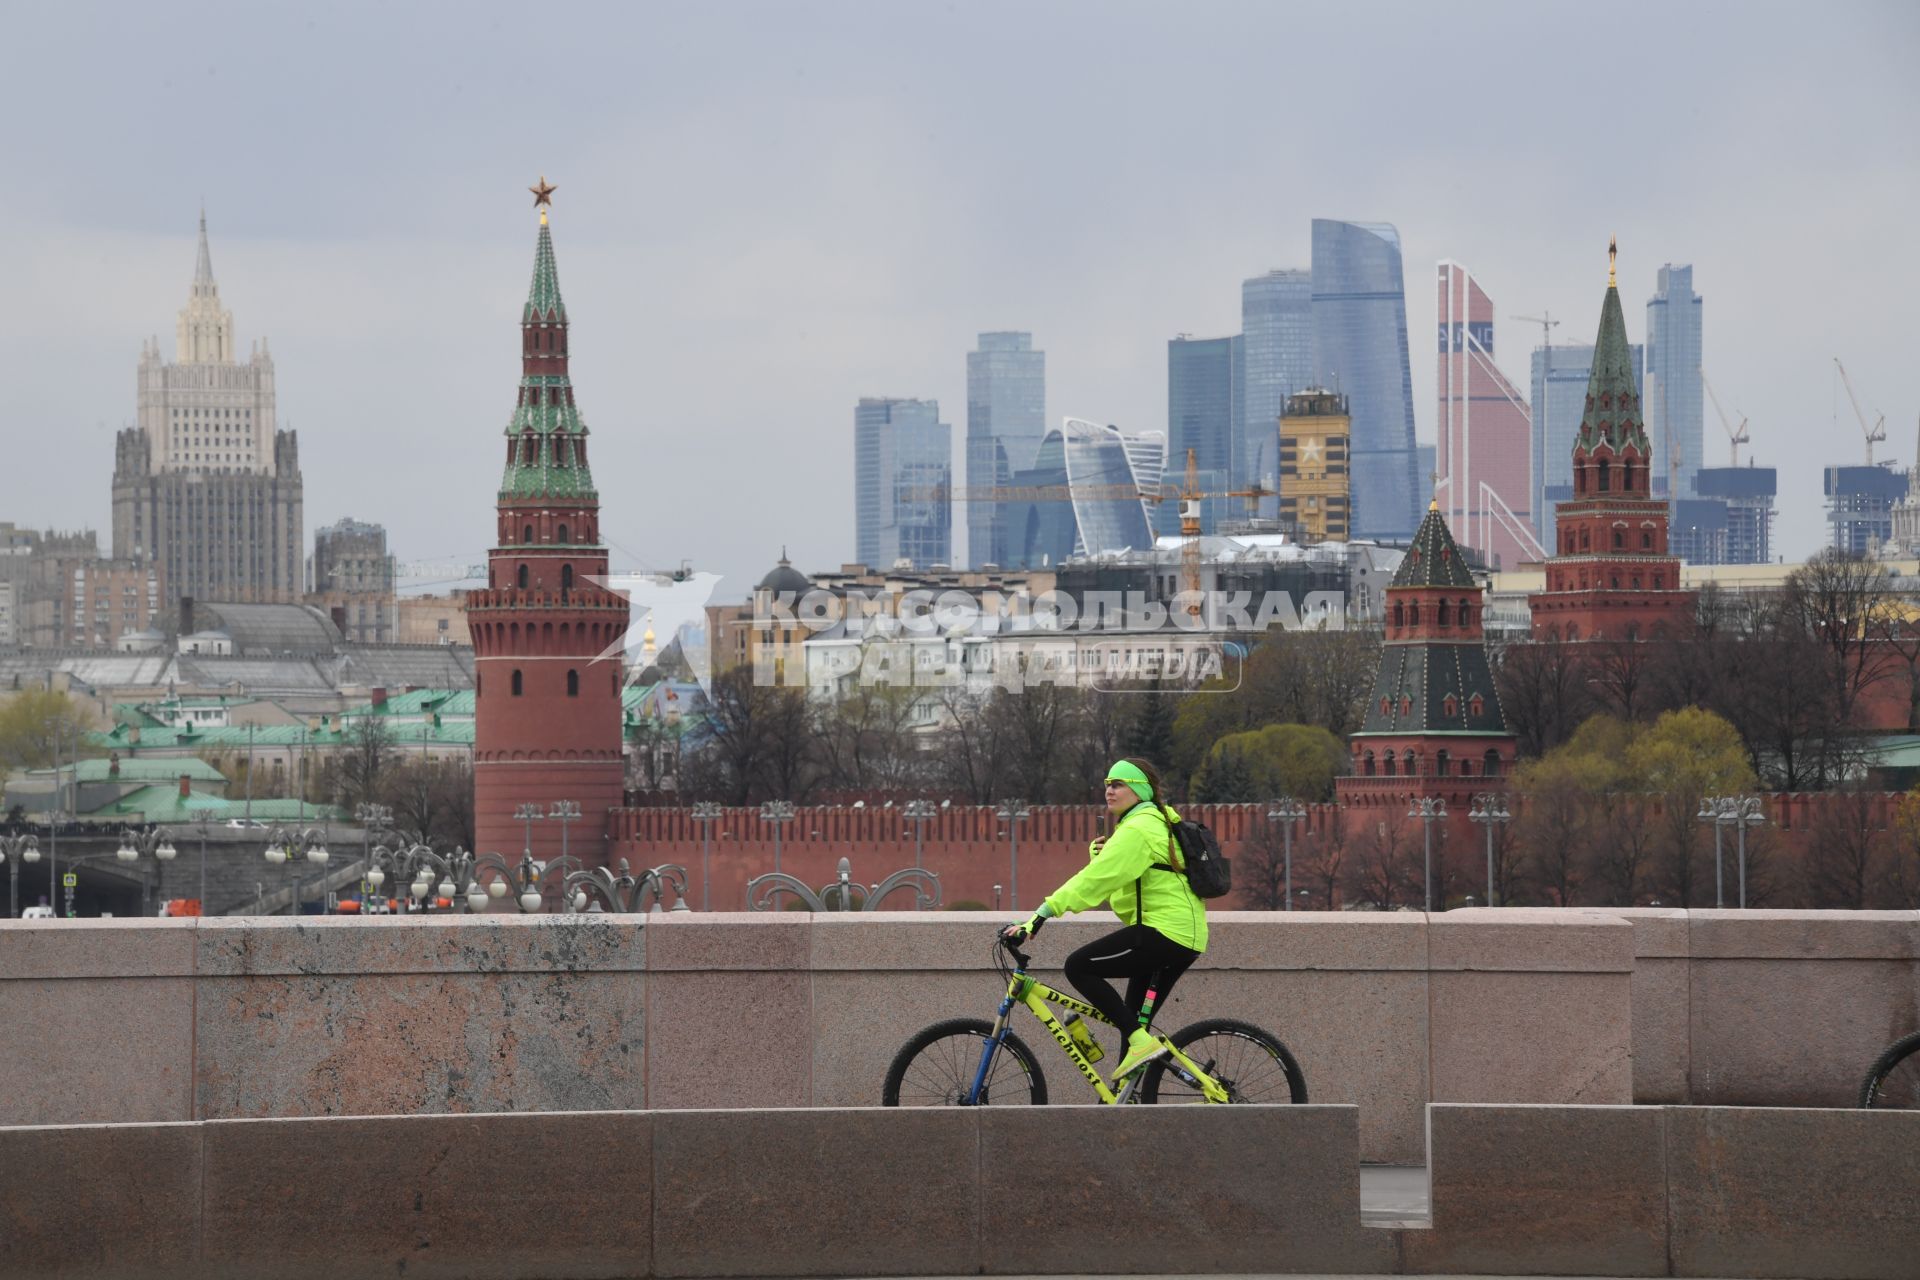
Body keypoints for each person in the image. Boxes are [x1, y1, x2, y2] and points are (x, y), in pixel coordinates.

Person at [1000, 757, 1207, 1080]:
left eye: (1119, 784)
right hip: (1179, 934)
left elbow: (1093, 882)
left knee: (1079, 966)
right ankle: (1129, 1102)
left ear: (1139, 790)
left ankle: (1138, 1047)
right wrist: (1103, 860)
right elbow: (1125, 887)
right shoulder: (1151, 822)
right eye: (1107, 784)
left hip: (1166, 932)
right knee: (1133, 1025)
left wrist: (1040, 915)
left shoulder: (1138, 829)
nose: (1109, 791)